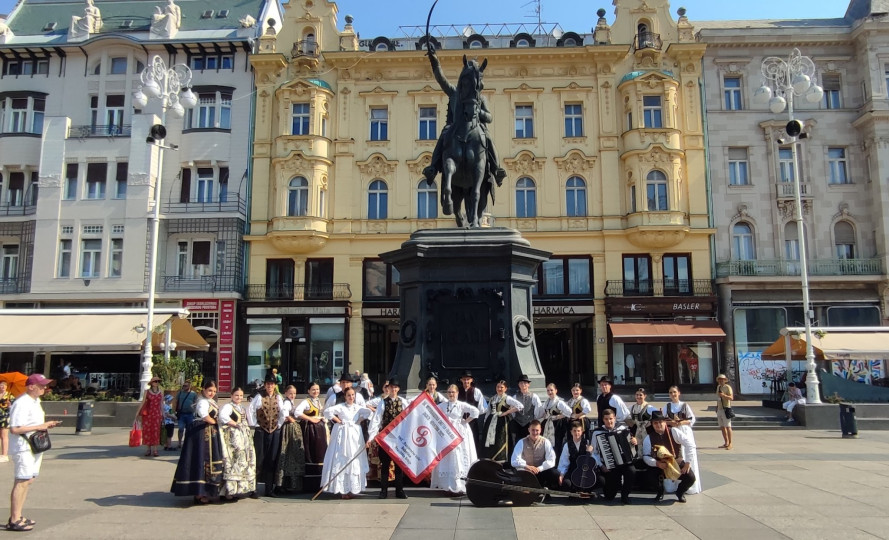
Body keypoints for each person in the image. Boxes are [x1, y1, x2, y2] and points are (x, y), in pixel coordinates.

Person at [6, 374, 62, 532]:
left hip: (34, 444)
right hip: (23, 446)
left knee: (28, 479)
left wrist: (44, 425)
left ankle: (17, 515)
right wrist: (41, 426)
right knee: (22, 480)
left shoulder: (35, 401)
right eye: (41, 385)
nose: (45, 388)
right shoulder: (22, 403)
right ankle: (15, 518)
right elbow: (15, 428)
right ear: (31, 386)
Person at [171, 380, 224, 504]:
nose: (212, 393)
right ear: (204, 390)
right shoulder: (202, 402)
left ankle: (207, 491)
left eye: (214, 391)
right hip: (200, 434)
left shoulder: (212, 402)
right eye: (210, 390)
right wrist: (216, 422)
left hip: (210, 433)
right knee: (200, 460)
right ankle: (199, 492)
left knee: (210, 461)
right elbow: (204, 416)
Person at [321, 387, 373, 499]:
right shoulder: (341, 407)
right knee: (341, 458)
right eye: (349, 395)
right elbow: (327, 411)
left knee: (353, 458)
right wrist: (339, 421)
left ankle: (351, 488)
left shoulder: (358, 408)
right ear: (345, 396)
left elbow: (369, 413)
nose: (351, 397)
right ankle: (342, 489)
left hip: (354, 434)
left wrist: (359, 420)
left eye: (353, 395)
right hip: (343, 433)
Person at [431, 384, 479, 495]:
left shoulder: (461, 405)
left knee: (459, 458)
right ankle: (447, 486)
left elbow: (475, 411)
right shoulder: (443, 405)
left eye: (453, 392)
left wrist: (465, 421)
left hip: (459, 433)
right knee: (447, 458)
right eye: (449, 392)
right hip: (447, 434)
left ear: (457, 393)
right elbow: (433, 413)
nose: (451, 394)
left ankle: (459, 485)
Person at [368, 378, 411, 499]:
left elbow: (409, 417)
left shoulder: (403, 402)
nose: (393, 389)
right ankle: (383, 491)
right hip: (386, 438)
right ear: (388, 388)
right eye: (391, 387)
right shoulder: (383, 402)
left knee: (399, 465)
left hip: (399, 438)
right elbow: (377, 419)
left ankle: (399, 490)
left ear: (398, 389)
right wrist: (372, 436)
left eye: (396, 387)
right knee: (385, 465)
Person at [642, 411, 697, 503]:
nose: (658, 425)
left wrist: (687, 463)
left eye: (660, 422)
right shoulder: (648, 438)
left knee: (690, 478)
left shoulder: (674, 432)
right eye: (655, 423)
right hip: (660, 464)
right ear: (652, 424)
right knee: (650, 476)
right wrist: (657, 463)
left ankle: (680, 492)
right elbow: (646, 456)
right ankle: (660, 492)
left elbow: (690, 445)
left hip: (676, 462)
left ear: (664, 422)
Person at [247, 374, 286, 496]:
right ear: (265, 385)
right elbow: (250, 410)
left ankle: (269, 489)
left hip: (274, 431)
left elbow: (283, 413)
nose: (270, 386)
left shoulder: (278, 398)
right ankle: (254, 489)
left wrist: (279, 425)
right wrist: (254, 424)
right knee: (259, 459)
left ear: (275, 386)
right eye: (268, 384)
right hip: (261, 430)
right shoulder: (259, 396)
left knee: (271, 460)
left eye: (272, 384)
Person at [591, 409, 637, 504]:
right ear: (603, 420)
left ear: (615, 418)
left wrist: (634, 442)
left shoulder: (623, 429)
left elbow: (631, 445)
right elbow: (593, 452)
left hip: (625, 462)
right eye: (606, 419)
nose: (609, 421)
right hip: (609, 465)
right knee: (609, 496)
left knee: (631, 471)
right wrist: (601, 465)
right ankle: (615, 485)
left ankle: (625, 495)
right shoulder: (597, 432)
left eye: (611, 419)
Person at [218, 387, 257, 500]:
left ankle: (240, 489)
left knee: (244, 462)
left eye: (240, 396)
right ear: (231, 396)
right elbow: (223, 417)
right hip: (232, 438)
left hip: (244, 437)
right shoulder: (228, 406)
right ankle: (229, 491)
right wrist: (234, 424)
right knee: (233, 462)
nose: (239, 398)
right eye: (236, 395)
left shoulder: (242, 407)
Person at [662, 386, 701, 494]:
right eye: (670, 393)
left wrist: (680, 422)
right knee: (675, 455)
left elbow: (692, 419)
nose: (673, 394)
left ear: (679, 393)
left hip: (684, 431)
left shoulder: (684, 405)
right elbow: (663, 420)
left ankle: (689, 482)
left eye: (674, 392)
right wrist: (672, 423)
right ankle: (673, 482)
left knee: (686, 452)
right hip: (672, 432)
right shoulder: (667, 406)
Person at [294, 382, 327, 492]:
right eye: (313, 389)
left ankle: (319, 482)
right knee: (311, 452)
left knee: (319, 453)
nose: (316, 392)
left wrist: (321, 418)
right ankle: (310, 484)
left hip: (319, 430)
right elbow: (297, 412)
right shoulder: (306, 402)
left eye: (317, 389)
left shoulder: (317, 401)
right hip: (310, 431)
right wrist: (311, 419)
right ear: (308, 391)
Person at [510, 419, 560, 492]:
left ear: (540, 430)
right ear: (529, 430)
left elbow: (551, 460)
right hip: (526, 471)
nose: (535, 432)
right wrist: (527, 466)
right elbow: (514, 460)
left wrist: (539, 468)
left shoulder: (546, 442)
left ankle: (545, 488)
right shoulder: (521, 442)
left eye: (537, 430)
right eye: (533, 430)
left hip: (539, 471)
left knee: (554, 473)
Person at [481, 380, 522, 461]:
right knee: (492, 440)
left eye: (501, 387)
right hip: (492, 422)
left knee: (501, 440)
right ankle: (492, 458)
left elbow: (520, 406)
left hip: (503, 423)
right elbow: (488, 411)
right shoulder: (493, 398)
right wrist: (485, 422)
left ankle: (502, 459)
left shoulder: (507, 398)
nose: (499, 389)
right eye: (498, 387)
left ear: (505, 388)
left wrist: (506, 412)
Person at [276, 385, 306, 492]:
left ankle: (288, 483)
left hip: (291, 429)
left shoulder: (290, 401)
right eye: (290, 393)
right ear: (286, 393)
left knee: (291, 454)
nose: (292, 395)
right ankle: (284, 483)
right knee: (289, 452)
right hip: (289, 429)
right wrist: (290, 418)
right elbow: (284, 412)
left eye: (294, 393)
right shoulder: (287, 402)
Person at [557, 420, 594, 493]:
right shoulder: (567, 445)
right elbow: (564, 462)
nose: (576, 433)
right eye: (574, 431)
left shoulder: (588, 443)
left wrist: (590, 452)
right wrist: (562, 474)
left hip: (586, 471)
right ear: (571, 432)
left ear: (582, 431)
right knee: (566, 484)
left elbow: (593, 459)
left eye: (578, 431)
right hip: (573, 470)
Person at [537, 383, 571, 459]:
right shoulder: (547, 402)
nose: (550, 392)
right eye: (548, 390)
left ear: (556, 391)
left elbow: (569, 412)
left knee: (557, 443)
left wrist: (559, 416)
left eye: (551, 390)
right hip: (548, 424)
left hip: (557, 425)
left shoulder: (559, 402)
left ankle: (557, 461)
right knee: (547, 442)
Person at [510, 374, 542, 449]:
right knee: (517, 443)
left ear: (528, 384)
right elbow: (512, 410)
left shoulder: (534, 396)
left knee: (529, 442)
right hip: (518, 424)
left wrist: (533, 420)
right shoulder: (515, 397)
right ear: (518, 384)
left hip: (529, 424)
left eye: (525, 383)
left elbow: (538, 410)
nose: (523, 384)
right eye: (521, 383)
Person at [457, 370, 487, 445]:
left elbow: (482, 408)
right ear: (461, 380)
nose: (466, 381)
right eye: (464, 379)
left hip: (472, 422)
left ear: (471, 380)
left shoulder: (476, 391)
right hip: (460, 421)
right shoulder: (457, 391)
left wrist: (474, 415)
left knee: (473, 441)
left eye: (468, 379)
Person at [626, 387, 657, 458]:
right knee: (636, 448)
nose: (638, 397)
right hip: (636, 432)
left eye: (640, 395)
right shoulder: (632, 407)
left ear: (645, 396)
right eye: (637, 395)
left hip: (647, 431)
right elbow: (625, 416)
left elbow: (657, 416)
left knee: (648, 447)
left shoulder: (650, 407)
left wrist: (650, 423)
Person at [138, 376, 164, 457]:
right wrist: (138, 412)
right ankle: (148, 449)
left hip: (156, 414)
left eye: (157, 381)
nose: (156, 383)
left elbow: (161, 403)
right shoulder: (147, 391)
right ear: (151, 383)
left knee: (156, 431)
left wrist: (163, 413)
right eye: (155, 381)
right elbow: (143, 402)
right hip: (148, 414)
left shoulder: (161, 391)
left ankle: (155, 450)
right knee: (148, 431)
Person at [173, 380, 197, 450]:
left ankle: (187, 443)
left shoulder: (193, 394)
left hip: (190, 414)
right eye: (183, 385)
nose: (184, 387)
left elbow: (196, 402)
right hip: (181, 414)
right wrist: (173, 411)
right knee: (180, 429)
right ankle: (179, 443)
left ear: (189, 386)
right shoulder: (180, 393)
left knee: (189, 429)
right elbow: (175, 402)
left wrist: (194, 409)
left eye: (185, 386)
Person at [716, 374, 734, 450]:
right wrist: (716, 407)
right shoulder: (718, 387)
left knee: (728, 426)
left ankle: (730, 443)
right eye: (719, 379)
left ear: (725, 380)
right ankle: (726, 442)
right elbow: (718, 397)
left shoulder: (728, 387)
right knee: (722, 426)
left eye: (722, 379)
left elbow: (731, 398)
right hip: (719, 408)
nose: (721, 381)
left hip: (726, 408)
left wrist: (723, 395)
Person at [0, 381, 13, 463]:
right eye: (1, 385)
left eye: (4, 385)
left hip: (5, 417)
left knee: (4, 435)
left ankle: (4, 454)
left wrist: (10, 405)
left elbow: (14, 406)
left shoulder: (9, 395)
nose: (2, 387)